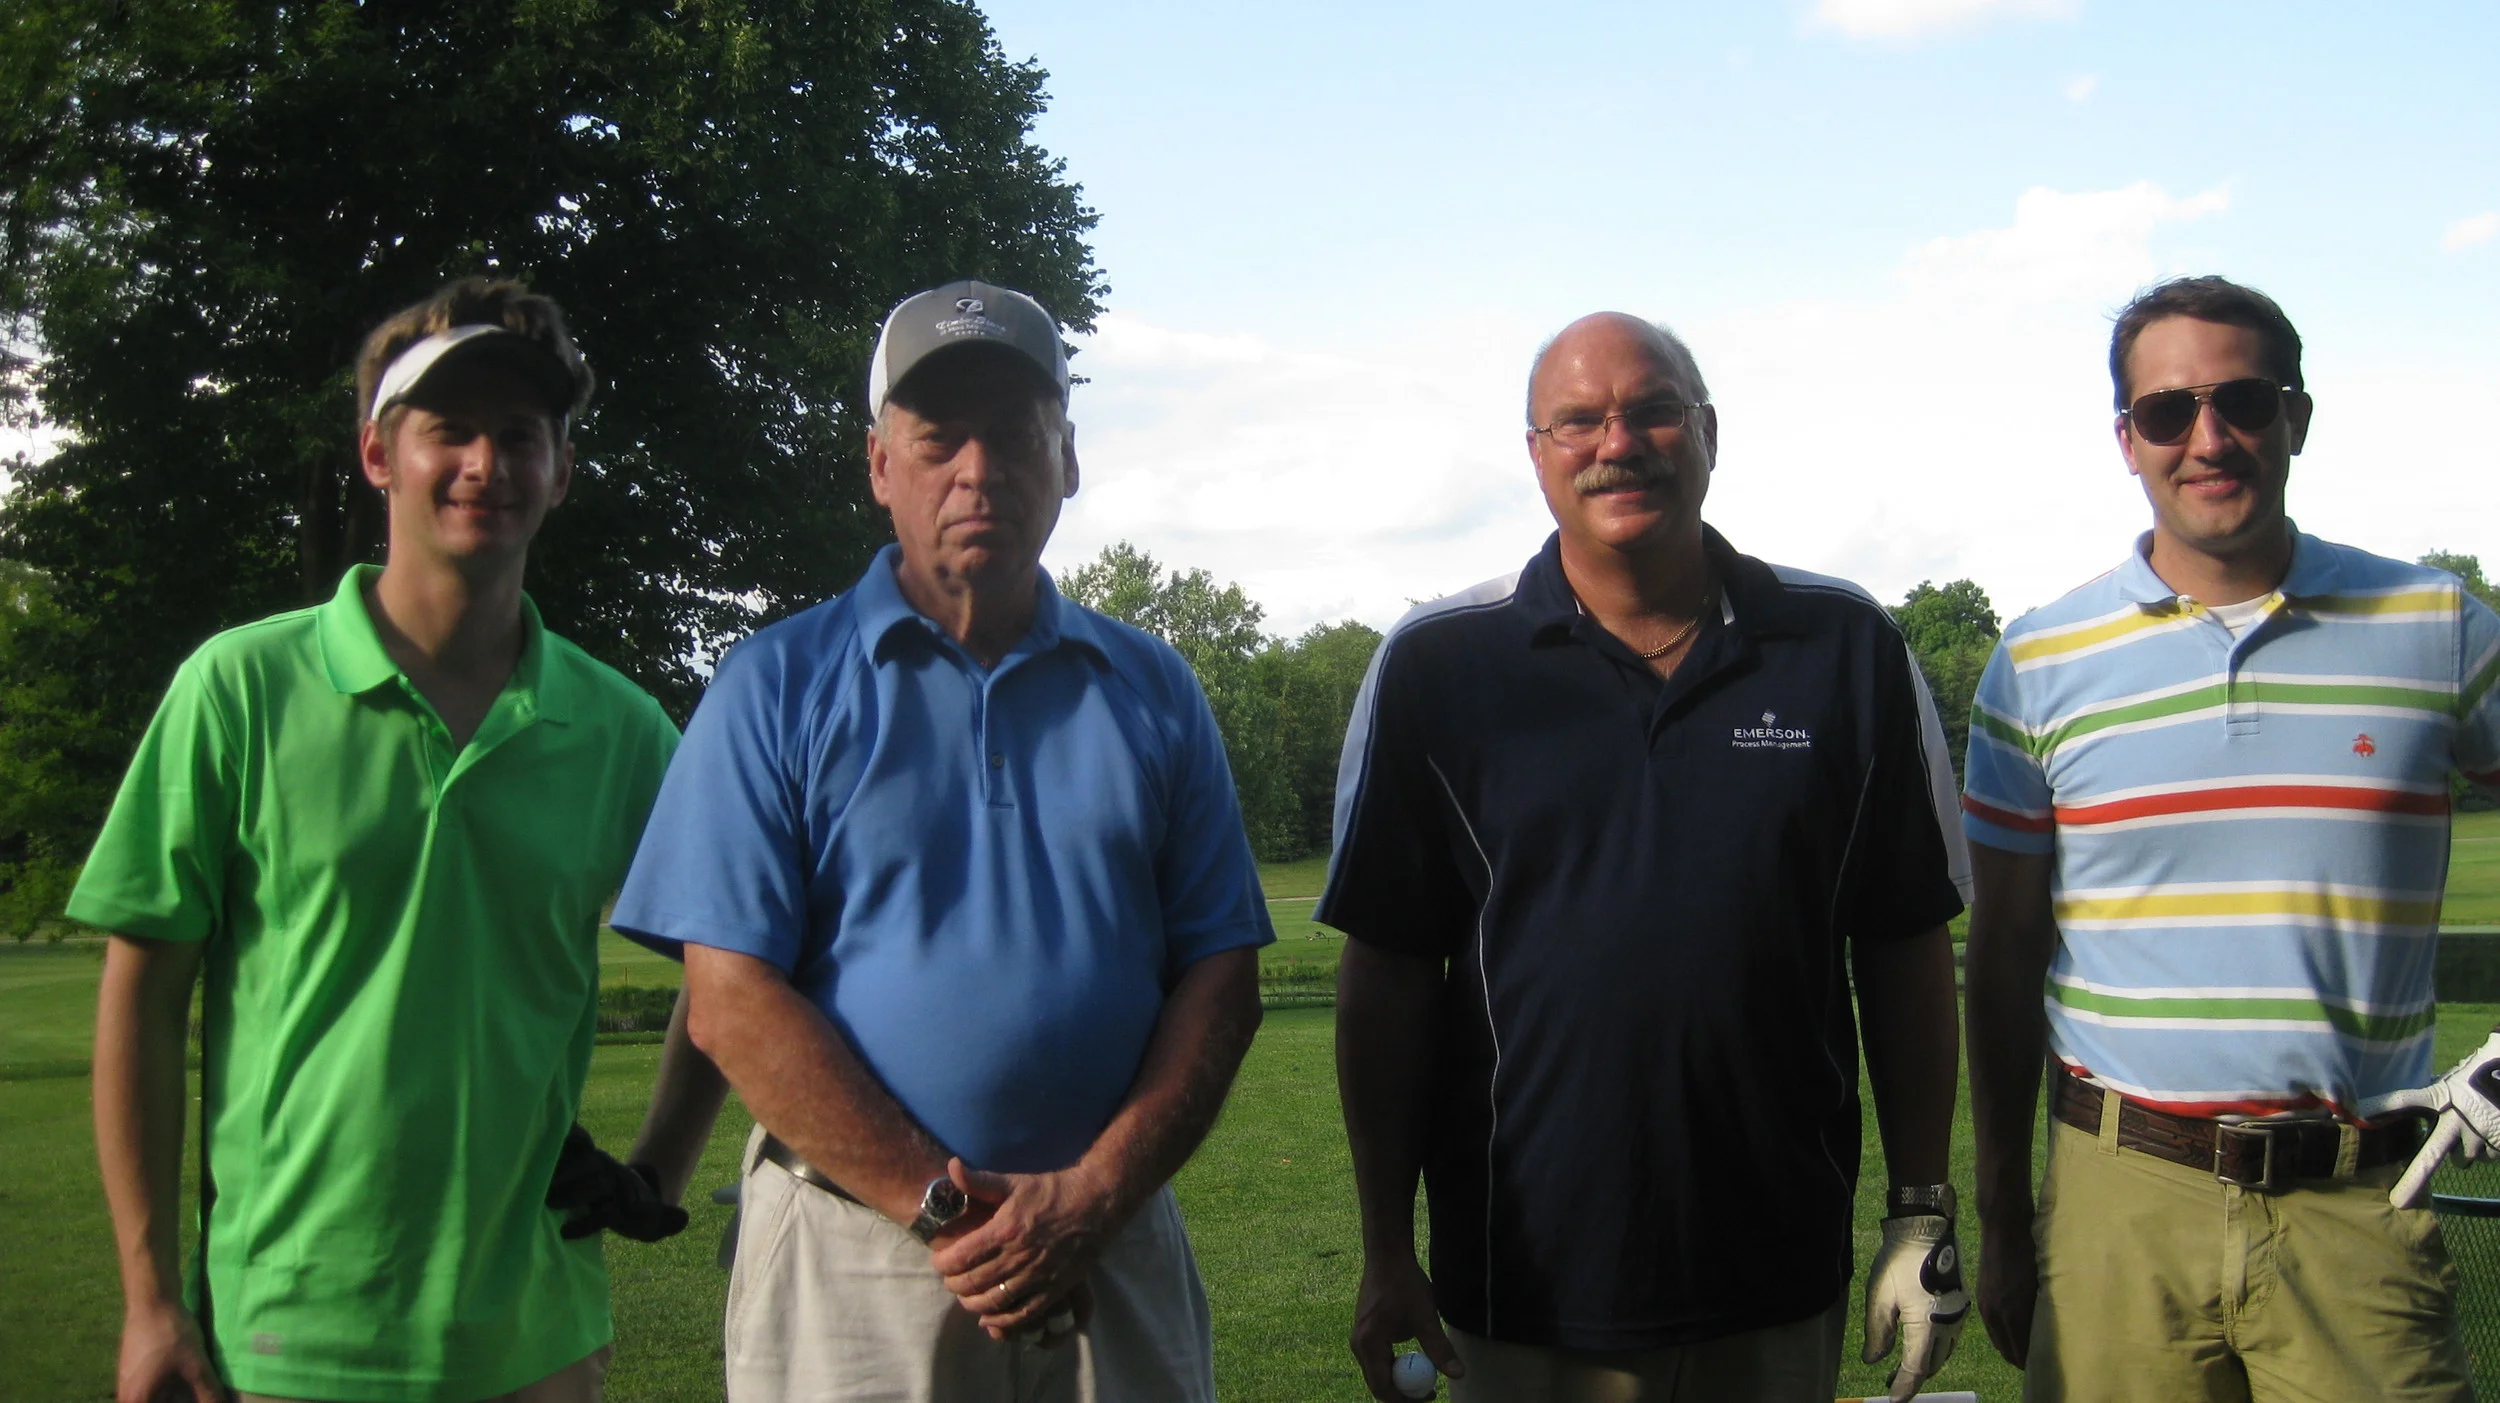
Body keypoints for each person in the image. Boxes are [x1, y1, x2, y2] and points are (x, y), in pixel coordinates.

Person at [607, 279, 1273, 1403]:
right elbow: (730, 998)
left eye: (1016, 435)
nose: (979, 470)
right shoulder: (775, 685)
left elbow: (1221, 971)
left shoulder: (1154, 688)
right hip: (852, 1253)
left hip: (1107, 1241)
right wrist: (947, 1207)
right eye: (937, 439)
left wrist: (1093, 1194)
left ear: (1067, 460)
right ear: (879, 465)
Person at [1323, 311, 1973, 1403]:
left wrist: (1920, 1208)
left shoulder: (1845, 647)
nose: (1615, 443)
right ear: (1534, 454)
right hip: (1524, 1287)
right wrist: (1387, 1246)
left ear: (1707, 431)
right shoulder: (1438, 666)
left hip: (1775, 1281)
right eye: (1576, 420)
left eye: (1652, 411)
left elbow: (1904, 941)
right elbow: (1388, 977)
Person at [78, 277, 700, 1403]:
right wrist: (150, 1299)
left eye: (521, 435)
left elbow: (736, 964)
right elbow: (143, 995)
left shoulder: (619, 729)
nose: (485, 463)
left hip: (534, 1334)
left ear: (561, 471)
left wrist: (658, 1161)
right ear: (377, 454)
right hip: (288, 1334)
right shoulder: (239, 689)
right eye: (447, 430)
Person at [1962, 274, 2498, 1402]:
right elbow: (2003, 956)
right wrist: (2003, 1215)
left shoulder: (2436, 627)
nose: (2208, 438)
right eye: (2167, 411)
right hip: (2119, 1203)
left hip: (2360, 1202)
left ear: (2295, 417)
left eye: (2243, 400)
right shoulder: (2039, 662)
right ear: (2126, 438)